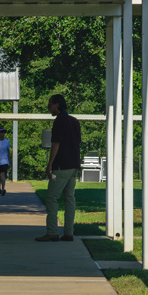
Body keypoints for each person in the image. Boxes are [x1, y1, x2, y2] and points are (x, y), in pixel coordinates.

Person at [36, 94, 81, 242]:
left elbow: (56, 143)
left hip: (61, 166)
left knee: (51, 197)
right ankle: (69, 232)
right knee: (69, 199)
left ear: (56, 105)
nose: (49, 108)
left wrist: (50, 164)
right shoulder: (74, 121)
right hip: (74, 165)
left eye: (50, 105)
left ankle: (52, 232)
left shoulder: (59, 121)